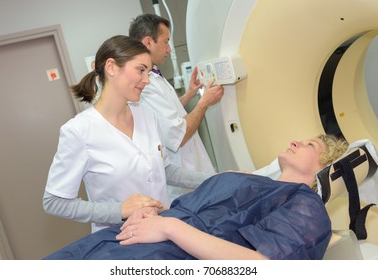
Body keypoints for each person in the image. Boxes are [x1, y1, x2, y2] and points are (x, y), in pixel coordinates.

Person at [43, 134, 349, 260]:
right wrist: (151, 216)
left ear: (325, 167)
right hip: (128, 237)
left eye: (309, 145)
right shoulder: (247, 179)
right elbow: (187, 207)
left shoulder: (304, 205)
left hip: (171, 254)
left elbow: (260, 266)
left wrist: (169, 228)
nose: (296, 141)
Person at [43, 35, 211, 233]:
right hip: (120, 238)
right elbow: (54, 202)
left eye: (148, 72)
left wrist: (215, 179)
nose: (147, 80)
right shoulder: (78, 131)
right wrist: (120, 209)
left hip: (163, 228)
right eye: (141, 70)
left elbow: (163, 170)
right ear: (112, 67)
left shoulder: (146, 115)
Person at [129, 14, 225, 174]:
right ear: (148, 42)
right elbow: (178, 135)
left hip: (192, 166)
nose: (169, 49)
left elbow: (166, 113)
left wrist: (189, 94)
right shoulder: (143, 84)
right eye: (165, 41)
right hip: (182, 175)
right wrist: (204, 102)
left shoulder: (153, 74)